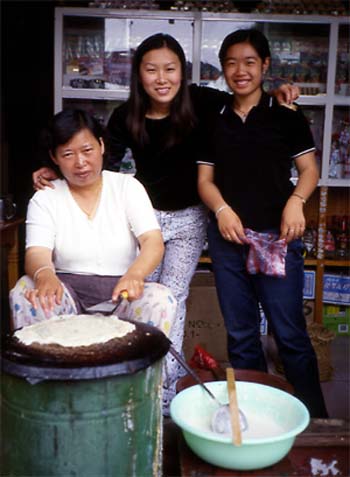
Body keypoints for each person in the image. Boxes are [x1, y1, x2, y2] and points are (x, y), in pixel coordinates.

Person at [32, 33, 298, 411]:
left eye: (170, 69)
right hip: (144, 220)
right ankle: (133, 375)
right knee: (139, 299)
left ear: (182, 72)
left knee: (173, 300)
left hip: (190, 218)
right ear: (139, 74)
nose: (162, 78)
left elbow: (246, 98)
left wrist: (278, 92)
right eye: (151, 69)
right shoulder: (127, 116)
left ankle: (166, 392)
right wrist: (54, 173)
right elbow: (94, 160)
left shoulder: (204, 102)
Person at [197, 28, 328, 417]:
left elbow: (308, 170)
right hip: (228, 242)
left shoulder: (285, 117)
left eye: (250, 62)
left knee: (289, 335)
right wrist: (222, 210)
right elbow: (204, 181)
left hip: (278, 237)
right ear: (222, 68)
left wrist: (296, 203)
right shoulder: (213, 119)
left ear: (265, 65)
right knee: (240, 337)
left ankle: (315, 425)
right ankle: (254, 417)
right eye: (232, 63)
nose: (241, 70)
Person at [10, 109, 176, 345]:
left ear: (101, 146)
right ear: (54, 157)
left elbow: (152, 241)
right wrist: (45, 274)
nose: (80, 162)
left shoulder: (127, 187)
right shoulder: (46, 198)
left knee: (161, 299)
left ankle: (137, 381)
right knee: (27, 291)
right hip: (65, 291)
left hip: (122, 292)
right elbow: (37, 252)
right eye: (67, 154)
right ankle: (50, 379)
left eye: (87, 150)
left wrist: (136, 274)